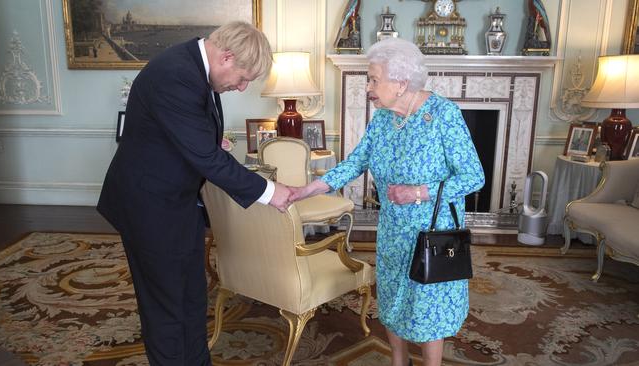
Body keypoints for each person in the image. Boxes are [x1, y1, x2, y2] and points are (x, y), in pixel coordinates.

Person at [97, 21, 292, 366]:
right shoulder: (176, 74)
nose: (241, 86)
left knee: (192, 297)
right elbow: (205, 157)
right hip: (148, 207)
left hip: (178, 201)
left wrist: (206, 141)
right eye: (243, 78)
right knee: (165, 308)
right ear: (227, 57)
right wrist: (270, 192)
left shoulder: (195, 68)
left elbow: (195, 141)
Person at [290, 37, 485, 366]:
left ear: (401, 82)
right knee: (393, 298)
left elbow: (474, 176)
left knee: (426, 306)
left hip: (432, 232)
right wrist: (306, 190)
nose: (369, 87)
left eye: (374, 79)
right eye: (370, 78)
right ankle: (399, 361)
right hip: (394, 229)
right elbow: (355, 163)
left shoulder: (443, 115)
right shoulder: (383, 119)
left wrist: (417, 192)